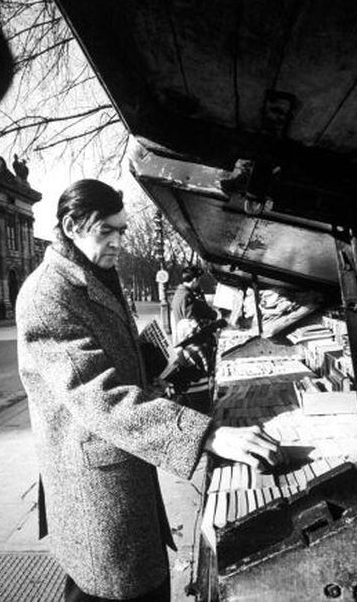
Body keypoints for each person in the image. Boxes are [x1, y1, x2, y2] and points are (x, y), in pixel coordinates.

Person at [16, 179, 283, 602]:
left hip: (122, 472)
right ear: (71, 225)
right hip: (94, 490)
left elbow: (115, 355)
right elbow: (96, 396)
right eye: (108, 230)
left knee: (130, 582)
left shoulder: (97, 271)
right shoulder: (46, 295)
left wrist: (165, 363)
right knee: (113, 586)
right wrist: (208, 434)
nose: (119, 241)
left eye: (122, 230)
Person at [170, 266, 220, 413]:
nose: (199, 283)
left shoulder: (179, 293)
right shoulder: (187, 296)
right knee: (198, 392)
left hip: (183, 342)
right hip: (190, 345)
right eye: (198, 280)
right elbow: (192, 323)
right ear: (194, 280)